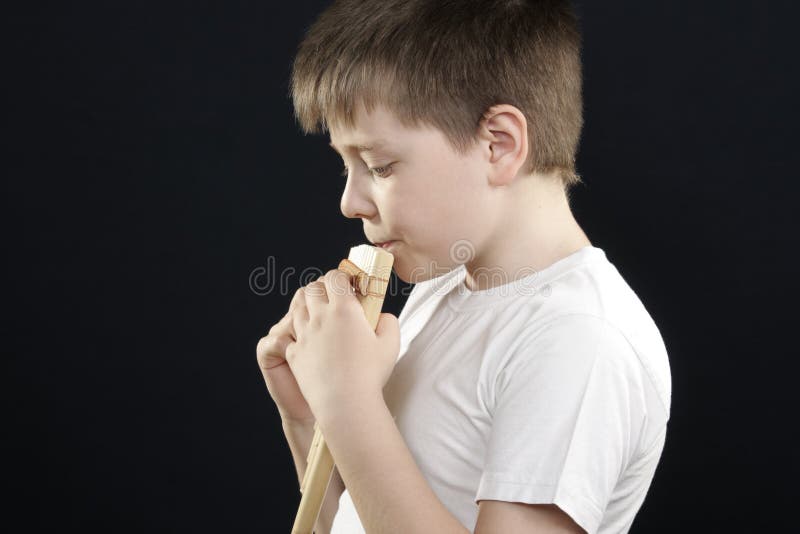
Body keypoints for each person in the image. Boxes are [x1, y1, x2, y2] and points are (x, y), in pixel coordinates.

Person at [257, 1, 672, 532]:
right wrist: (312, 418)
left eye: (379, 166)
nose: (349, 201)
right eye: (346, 165)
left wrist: (348, 402)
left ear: (498, 145)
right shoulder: (446, 285)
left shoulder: (579, 338)